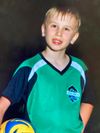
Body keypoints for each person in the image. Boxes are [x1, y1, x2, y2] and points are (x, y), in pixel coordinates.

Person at [0, 4, 94, 133]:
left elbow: (88, 100)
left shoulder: (80, 69)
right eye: (54, 26)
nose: (59, 33)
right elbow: (2, 105)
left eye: (66, 29)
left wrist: (80, 128)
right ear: (44, 29)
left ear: (74, 37)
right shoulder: (30, 67)